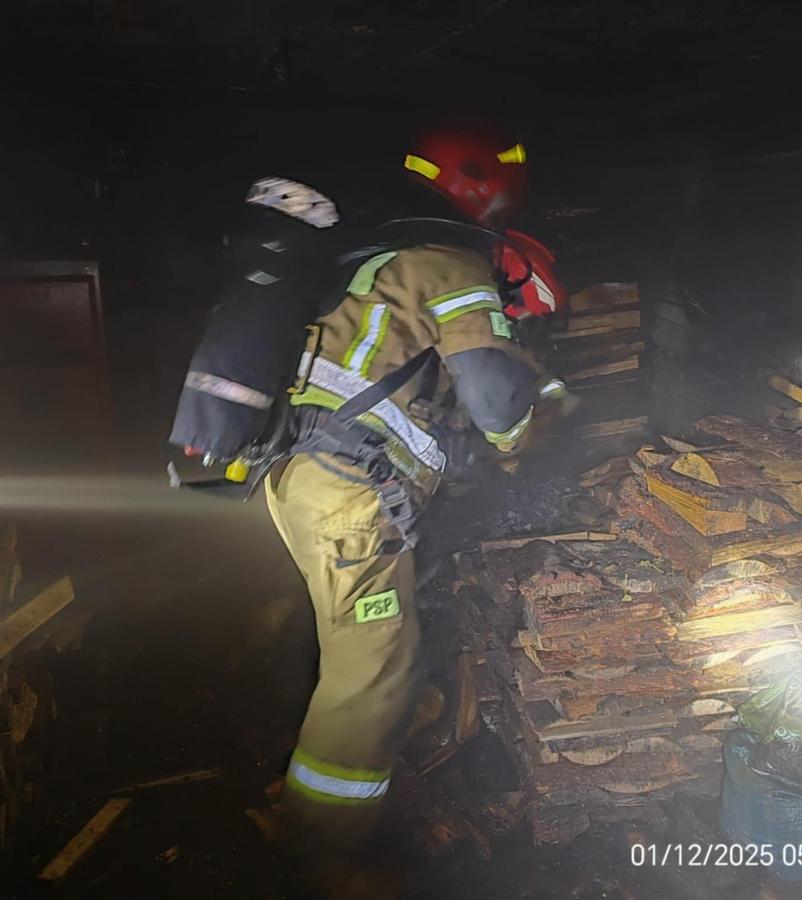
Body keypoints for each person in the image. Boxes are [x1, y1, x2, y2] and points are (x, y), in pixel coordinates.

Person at [260, 125, 569, 892]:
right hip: (347, 493)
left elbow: (418, 386)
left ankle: (343, 749)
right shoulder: (451, 263)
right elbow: (491, 392)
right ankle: (322, 850)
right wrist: (523, 440)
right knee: (375, 670)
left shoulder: (382, 259)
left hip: (311, 477)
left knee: (367, 646)